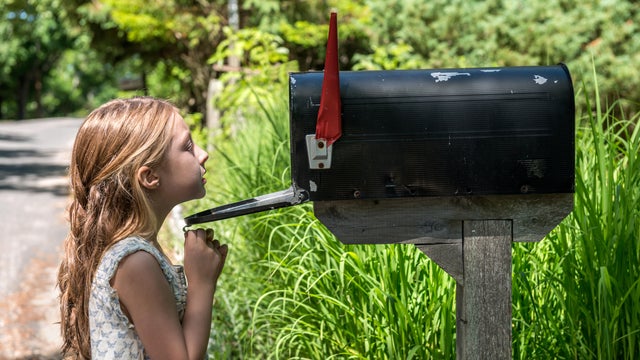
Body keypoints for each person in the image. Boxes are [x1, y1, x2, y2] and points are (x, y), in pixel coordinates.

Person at [57, 96, 228, 359]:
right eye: (188, 146)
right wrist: (202, 284)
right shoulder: (135, 262)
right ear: (150, 177)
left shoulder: (139, 249)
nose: (203, 154)